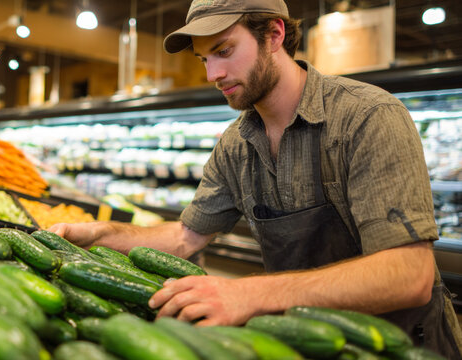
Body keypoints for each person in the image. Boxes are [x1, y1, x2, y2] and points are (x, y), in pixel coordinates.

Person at [50, 0, 462, 356]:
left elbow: (410, 275)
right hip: (300, 340)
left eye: (224, 50)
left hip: (402, 343)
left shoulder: (367, 117)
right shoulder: (235, 145)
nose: (213, 73)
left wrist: (249, 293)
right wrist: (100, 235)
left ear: (275, 34)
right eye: (203, 59)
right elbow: (184, 238)